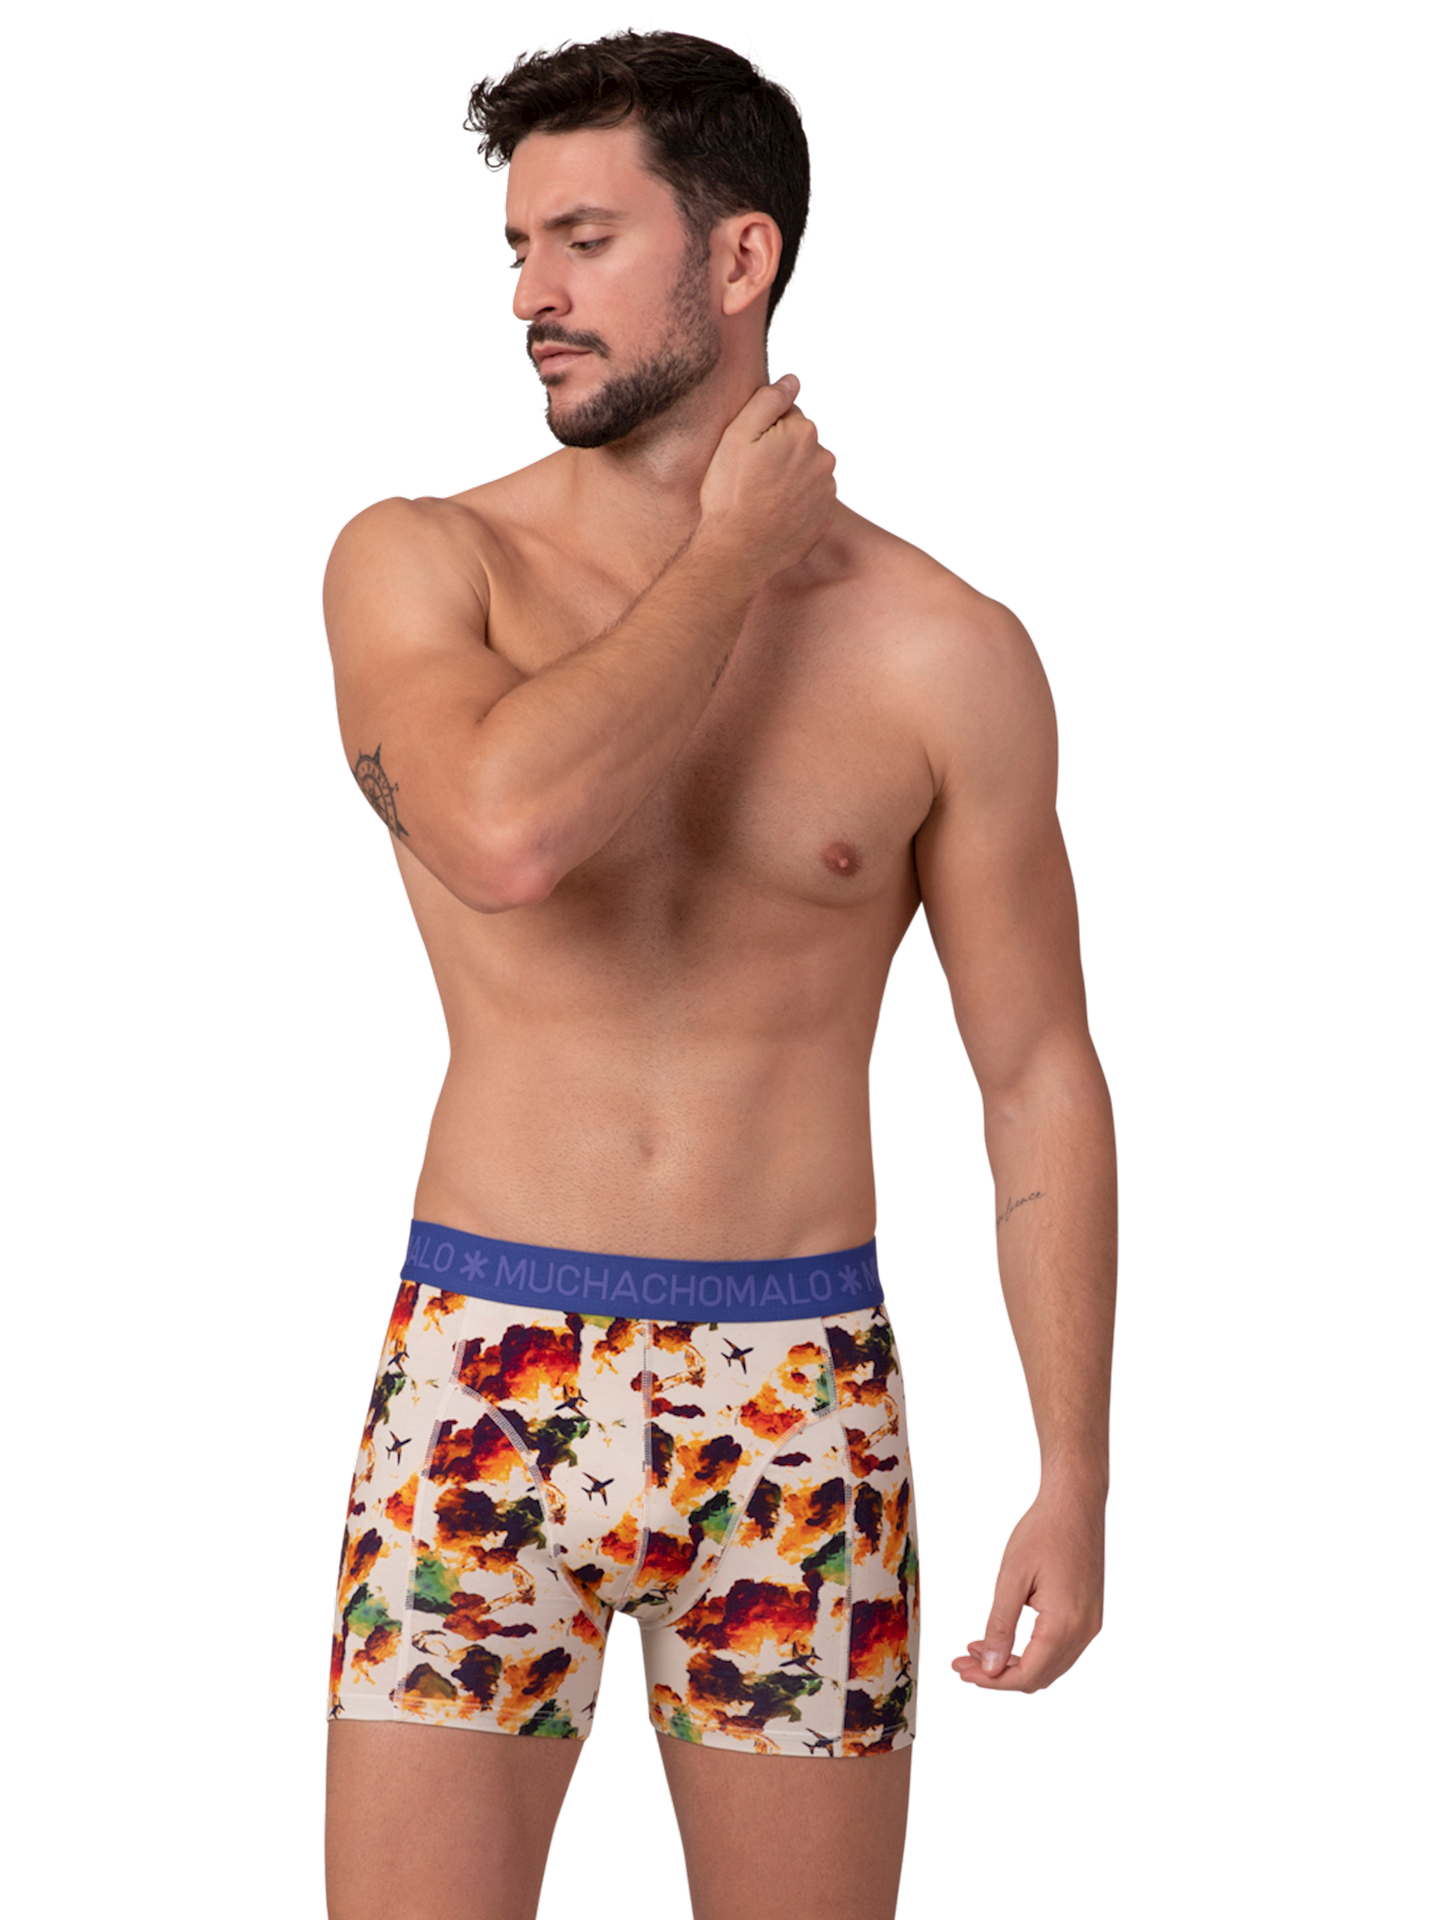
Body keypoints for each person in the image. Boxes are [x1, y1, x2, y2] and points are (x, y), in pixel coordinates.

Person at [319, 27, 1117, 1920]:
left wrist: (1073, 1475)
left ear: (741, 256)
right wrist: (728, 561)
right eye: (519, 247)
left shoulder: (946, 648)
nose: (531, 294)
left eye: (585, 241)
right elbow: (506, 834)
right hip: (483, 1366)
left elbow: (1037, 1072)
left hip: (800, 1388)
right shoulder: (421, 561)